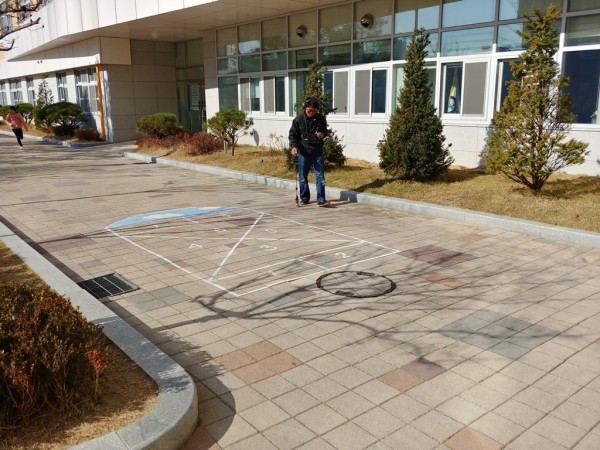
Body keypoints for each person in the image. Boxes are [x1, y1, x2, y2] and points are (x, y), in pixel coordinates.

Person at [289, 97, 329, 206]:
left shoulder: (321, 118)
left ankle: (321, 199)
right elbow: (293, 135)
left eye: (314, 111)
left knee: (320, 176)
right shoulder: (298, 119)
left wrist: (322, 134)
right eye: (309, 111)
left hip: (317, 152)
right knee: (302, 177)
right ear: (304, 109)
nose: (311, 113)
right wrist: (293, 146)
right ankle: (304, 197)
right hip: (303, 152)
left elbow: (325, 131)